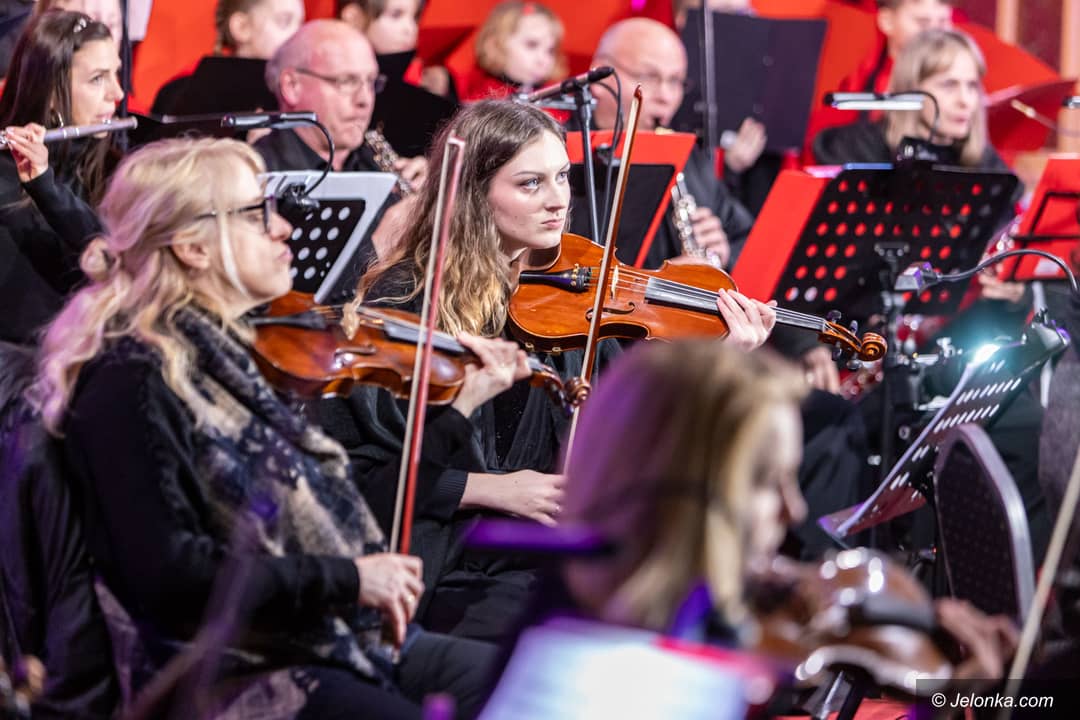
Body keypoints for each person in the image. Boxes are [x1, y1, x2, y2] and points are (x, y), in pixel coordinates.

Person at [28, 136, 529, 718]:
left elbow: (344, 506)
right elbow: (171, 580)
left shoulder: (237, 355)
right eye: (256, 214)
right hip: (236, 671)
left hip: (320, 635)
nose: (284, 229)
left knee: (539, 687)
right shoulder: (131, 379)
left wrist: (460, 407)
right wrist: (349, 580)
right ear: (192, 248)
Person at [316, 99, 776, 643]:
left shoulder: (573, 294)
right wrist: (489, 489)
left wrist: (722, 364)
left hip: (545, 551)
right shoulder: (407, 303)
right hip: (452, 562)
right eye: (530, 184)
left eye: (562, 177)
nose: (558, 200)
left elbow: (630, 436)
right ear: (472, 194)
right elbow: (356, 476)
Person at [515, 339, 1018, 707]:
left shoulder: (598, 619)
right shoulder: (630, 687)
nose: (794, 511)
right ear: (675, 484)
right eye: (764, 482)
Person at [257, 20, 428, 267]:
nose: (364, 100)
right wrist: (377, 247)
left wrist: (432, 197)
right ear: (292, 86)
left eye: (371, 82)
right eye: (346, 81)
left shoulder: (375, 163)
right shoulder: (257, 174)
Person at [588, 17, 753, 270]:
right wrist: (656, 281)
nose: (666, 97)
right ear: (600, 76)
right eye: (648, 77)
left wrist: (724, 251)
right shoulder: (564, 158)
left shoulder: (689, 156)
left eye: (675, 81)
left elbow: (746, 237)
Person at [0, 10, 122, 347]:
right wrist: (43, 184)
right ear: (52, 92)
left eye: (116, 73)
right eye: (97, 79)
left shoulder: (110, 164)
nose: (117, 93)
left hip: (85, 350)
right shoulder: (5, 180)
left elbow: (116, 260)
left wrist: (47, 187)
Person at [150, 0, 303, 116]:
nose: (299, 34)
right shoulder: (180, 94)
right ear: (242, 27)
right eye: (284, 21)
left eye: (301, 24)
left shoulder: (301, 92)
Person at [456, 1, 567, 102]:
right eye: (531, 45)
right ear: (496, 45)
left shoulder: (559, 99)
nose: (544, 60)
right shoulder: (468, 91)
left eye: (550, 50)